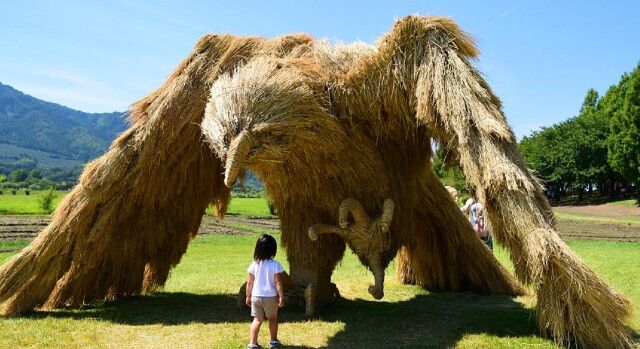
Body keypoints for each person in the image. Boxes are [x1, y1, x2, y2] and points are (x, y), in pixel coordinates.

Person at [246, 234, 285, 349]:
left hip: (256, 296)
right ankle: (273, 341)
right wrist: (281, 296)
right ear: (273, 249)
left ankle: (252, 343)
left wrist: (248, 296)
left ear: (257, 248)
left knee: (257, 319)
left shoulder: (254, 264)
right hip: (270, 297)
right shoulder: (275, 265)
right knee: (272, 318)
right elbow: (278, 282)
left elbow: (249, 283)